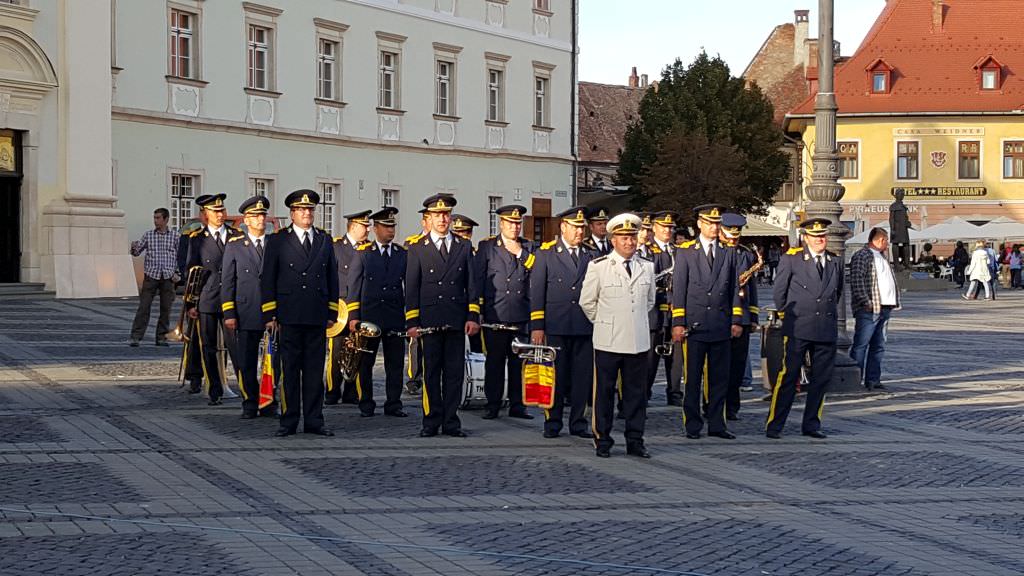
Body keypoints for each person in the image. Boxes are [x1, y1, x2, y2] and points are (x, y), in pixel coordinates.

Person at [262, 189, 339, 437]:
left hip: (316, 313)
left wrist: (332, 311)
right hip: (289, 314)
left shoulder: (324, 240)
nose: (307, 213)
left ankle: (315, 420)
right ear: (292, 213)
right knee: (290, 371)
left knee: (315, 372)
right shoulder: (278, 240)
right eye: (302, 210)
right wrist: (270, 313)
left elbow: (332, 277)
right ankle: (289, 420)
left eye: (310, 210)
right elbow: (268, 278)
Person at [581, 213, 656, 458]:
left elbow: (650, 301)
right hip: (608, 340)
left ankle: (636, 440)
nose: (629, 243)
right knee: (604, 392)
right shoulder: (599, 266)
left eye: (632, 237)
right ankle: (602, 439)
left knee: (636, 395)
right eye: (624, 238)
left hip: (637, 340)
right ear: (613, 240)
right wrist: (605, 322)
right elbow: (587, 302)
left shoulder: (647, 266)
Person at [406, 194, 480, 438]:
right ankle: (431, 420)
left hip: (456, 319)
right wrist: (412, 322)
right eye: (437, 215)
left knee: (454, 373)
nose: (443, 219)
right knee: (431, 373)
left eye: (446, 214)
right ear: (429, 218)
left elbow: (472, 284)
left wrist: (472, 315)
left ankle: (451, 421)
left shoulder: (463, 246)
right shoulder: (417, 248)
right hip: (429, 320)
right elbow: (412, 287)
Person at [670, 204, 743, 440]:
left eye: (716, 223)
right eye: (709, 223)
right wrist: (678, 322)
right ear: (699, 224)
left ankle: (717, 424)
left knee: (719, 378)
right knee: (692, 379)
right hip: (695, 325)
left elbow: (733, 289)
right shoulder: (686, 251)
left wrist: (736, 319)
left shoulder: (728, 252)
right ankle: (692, 424)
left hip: (720, 323)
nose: (714, 227)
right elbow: (679, 289)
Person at [765, 218, 842, 440]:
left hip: (825, 328)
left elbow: (836, 293)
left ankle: (811, 424)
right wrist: (786, 316)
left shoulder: (834, 261)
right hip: (799, 326)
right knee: (788, 377)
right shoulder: (793, 259)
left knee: (821, 379)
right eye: (816, 236)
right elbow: (780, 293)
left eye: (823, 236)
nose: (821, 240)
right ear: (805, 238)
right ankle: (775, 424)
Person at [530, 207, 596, 439]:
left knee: (582, 378)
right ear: (563, 227)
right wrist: (537, 326)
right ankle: (552, 422)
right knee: (555, 377)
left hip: (584, 325)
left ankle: (578, 422)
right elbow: (537, 292)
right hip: (556, 325)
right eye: (575, 227)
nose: (579, 232)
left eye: (582, 228)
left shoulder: (592, 255)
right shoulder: (546, 254)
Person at [346, 207, 408, 418]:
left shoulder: (401, 254)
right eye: (386, 227)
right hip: (369, 317)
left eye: (393, 227)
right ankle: (366, 403)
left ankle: (394, 403)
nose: (391, 231)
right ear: (375, 229)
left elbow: (408, 285)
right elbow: (353, 287)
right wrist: (354, 317)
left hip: (394, 316)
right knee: (366, 363)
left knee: (395, 364)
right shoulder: (364, 254)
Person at [475, 204, 535, 421]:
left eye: (518, 223)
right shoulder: (488, 247)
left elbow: (537, 273)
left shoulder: (528, 247)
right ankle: (493, 404)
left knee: (519, 364)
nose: (514, 227)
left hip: (520, 313)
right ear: (501, 224)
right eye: (510, 223)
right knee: (495, 363)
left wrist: (520, 253)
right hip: (495, 314)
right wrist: (479, 310)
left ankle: (518, 404)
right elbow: (479, 279)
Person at [221, 196, 276, 418]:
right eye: (256, 216)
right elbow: (228, 281)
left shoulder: (275, 244)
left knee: (272, 361)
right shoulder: (235, 246)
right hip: (246, 310)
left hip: (272, 311)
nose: (261, 219)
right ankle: (250, 402)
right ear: (246, 220)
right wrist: (229, 313)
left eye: (263, 215)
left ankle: (269, 400)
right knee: (247, 360)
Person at [186, 194, 244, 406]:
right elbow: (192, 270)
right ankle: (214, 390)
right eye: (215, 212)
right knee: (208, 346)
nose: (220, 215)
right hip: (208, 298)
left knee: (236, 346)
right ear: (205, 215)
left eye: (222, 211)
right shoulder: (197, 239)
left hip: (233, 299)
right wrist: (192, 303)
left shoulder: (236, 235)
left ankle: (246, 388)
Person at [326, 210, 372, 405]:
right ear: (353, 226)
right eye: (364, 226)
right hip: (340, 308)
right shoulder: (336, 247)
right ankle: (332, 390)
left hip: (361, 306)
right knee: (337, 351)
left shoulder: (369, 249)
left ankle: (351, 391)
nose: (368, 229)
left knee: (358, 351)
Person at [849, 227, 900, 392]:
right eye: (886, 241)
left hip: (885, 307)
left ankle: (873, 379)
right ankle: (854, 379)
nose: (887, 244)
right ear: (880, 240)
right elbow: (857, 281)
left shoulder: (883, 257)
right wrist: (866, 301)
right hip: (869, 309)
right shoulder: (862, 256)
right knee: (861, 345)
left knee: (878, 345)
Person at [718, 213, 759, 420]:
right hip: (720, 315)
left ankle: (732, 406)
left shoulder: (745, 254)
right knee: (719, 366)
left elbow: (752, 288)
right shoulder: (716, 252)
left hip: (741, 316)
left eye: (737, 235)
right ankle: (715, 405)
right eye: (730, 234)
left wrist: (753, 316)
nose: (734, 239)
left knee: (737, 365)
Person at [128, 207, 178, 347]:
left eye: (158, 218)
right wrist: (133, 247)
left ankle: (161, 337)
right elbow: (137, 252)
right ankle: (136, 336)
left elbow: (180, 256)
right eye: (154, 218)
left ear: (166, 219)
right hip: (151, 275)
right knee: (144, 307)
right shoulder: (149, 235)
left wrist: (177, 273)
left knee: (165, 309)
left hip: (167, 276)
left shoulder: (175, 236)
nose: (155, 221)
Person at [646, 211, 677, 405]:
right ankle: (645, 392)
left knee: (675, 358)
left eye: (670, 228)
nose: (667, 230)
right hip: (655, 310)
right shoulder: (648, 251)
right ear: (654, 228)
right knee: (650, 358)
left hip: (674, 311)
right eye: (664, 227)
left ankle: (674, 393)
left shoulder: (678, 250)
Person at [402, 210, 432, 395]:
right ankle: (414, 377)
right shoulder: (411, 244)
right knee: (415, 342)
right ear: (423, 222)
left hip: (433, 300)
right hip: (416, 299)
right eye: (429, 219)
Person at [452, 214, 483, 354]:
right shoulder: (449, 255)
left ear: (470, 234)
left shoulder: (477, 255)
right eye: (456, 233)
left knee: (477, 347)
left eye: (463, 233)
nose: (459, 237)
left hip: (475, 308)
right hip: (455, 306)